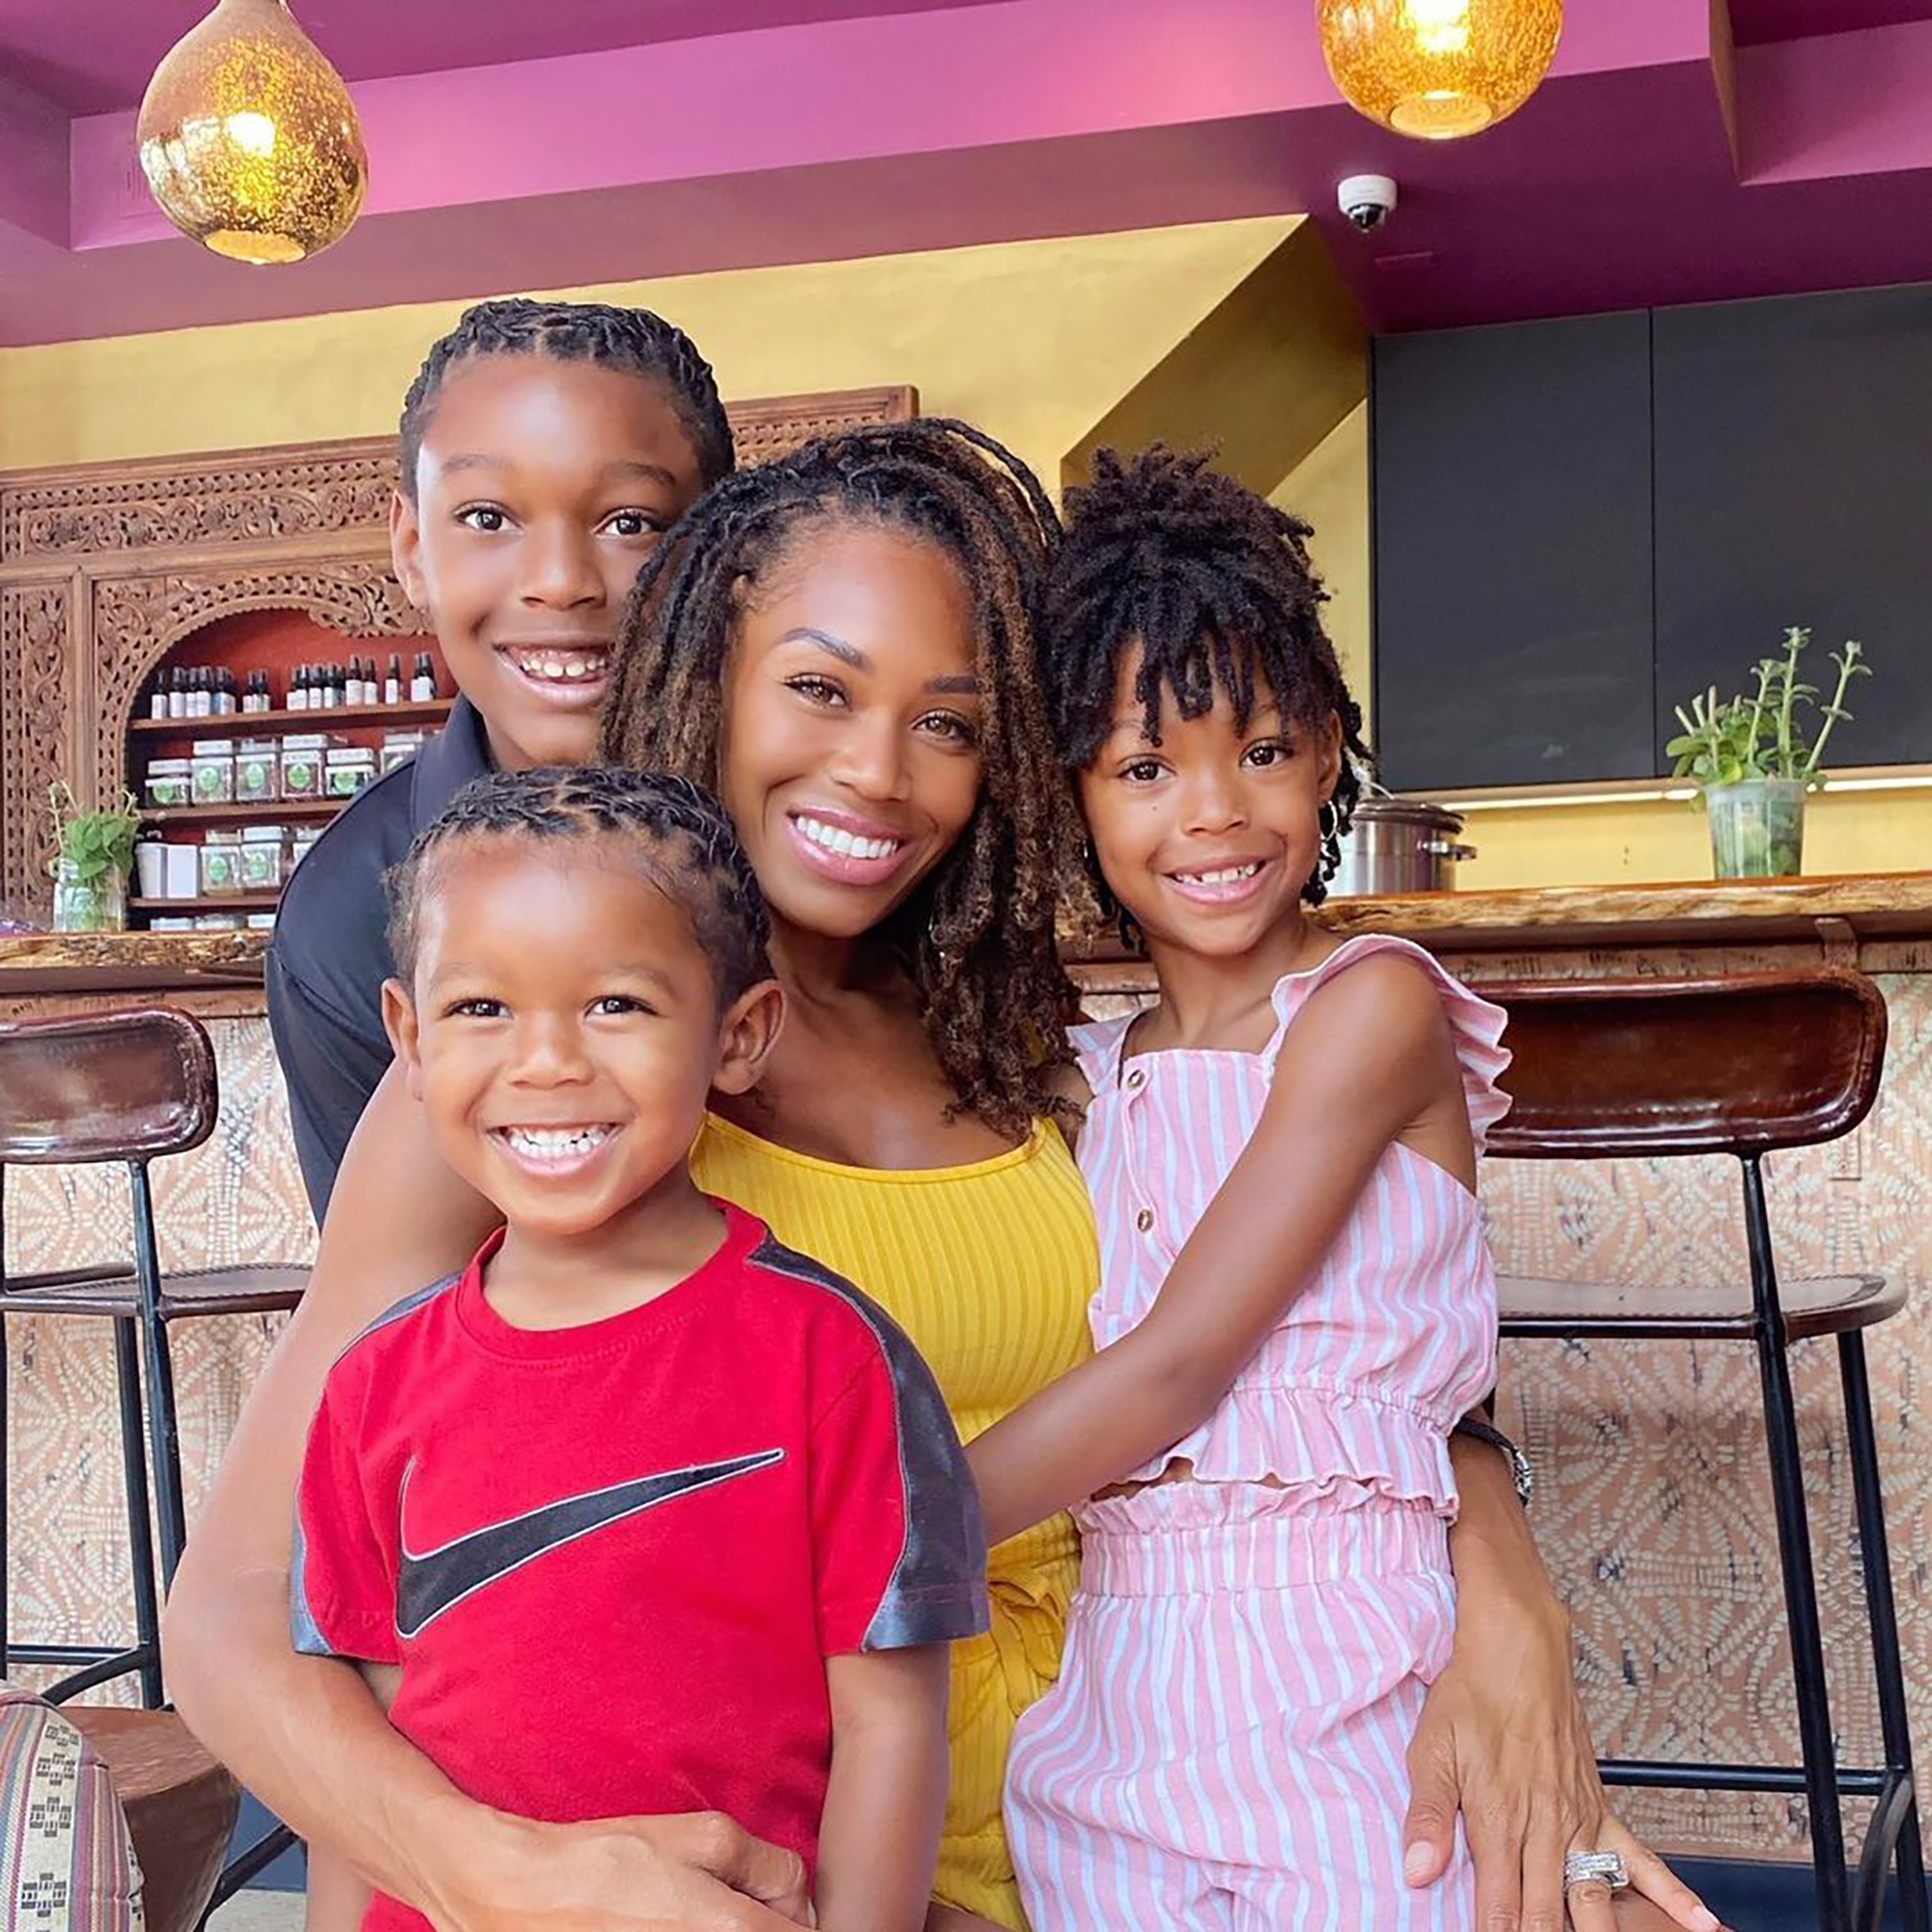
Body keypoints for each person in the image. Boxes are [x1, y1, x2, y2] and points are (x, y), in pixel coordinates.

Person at [169, 417, 1701, 1932]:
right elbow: (240, 1623)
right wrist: (501, 1874)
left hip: (1182, 1781)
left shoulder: (1036, 1047)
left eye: (950, 725)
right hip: (836, 1860)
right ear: (707, 679)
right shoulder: (561, 1084)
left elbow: (1302, 1346)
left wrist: (1501, 1606)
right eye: (819, 689)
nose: (878, 773)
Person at [976, 446, 1721, 1932]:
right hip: (1114, 1696)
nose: (1214, 811)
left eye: (1261, 750)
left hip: (1338, 1660)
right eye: (1144, 767)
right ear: (1073, 796)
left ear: (1327, 754)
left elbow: (1179, 1367)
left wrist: (864, 1522)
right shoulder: (1083, 1075)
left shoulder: (1368, 1007)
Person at [292, 764, 985, 1932]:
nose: (546, 1061)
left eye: (614, 1003)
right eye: (480, 1008)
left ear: (737, 1034)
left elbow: (891, 1722)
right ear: (407, 1037)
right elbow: (364, 1763)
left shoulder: (830, 1358)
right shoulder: (371, 1384)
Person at [268, 297, 734, 1222]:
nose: (559, 582)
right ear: (413, 547)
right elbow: (393, 1290)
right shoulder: (351, 912)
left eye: (630, 522)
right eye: (488, 516)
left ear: (717, 547)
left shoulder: (804, 819)